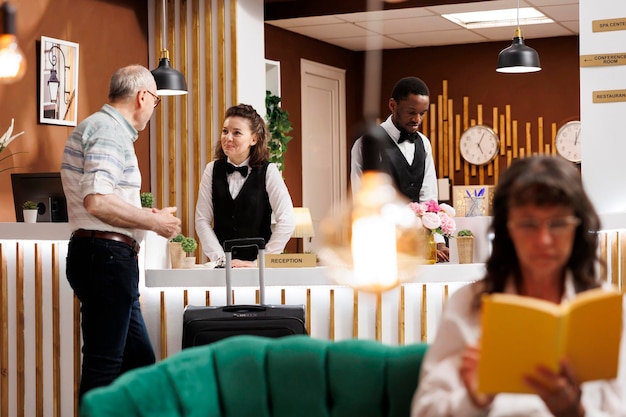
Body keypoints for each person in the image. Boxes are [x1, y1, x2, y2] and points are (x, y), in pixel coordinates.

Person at [411, 155, 626, 416]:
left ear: (578, 228)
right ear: (507, 230)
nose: (544, 239)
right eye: (528, 223)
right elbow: (424, 411)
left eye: (558, 223)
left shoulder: (603, 306)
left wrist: (576, 412)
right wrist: (473, 401)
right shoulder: (469, 303)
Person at [60, 64, 182, 400]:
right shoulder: (110, 132)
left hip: (101, 256)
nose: (153, 111)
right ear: (143, 97)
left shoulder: (96, 127)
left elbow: (100, 198)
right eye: (156, 102)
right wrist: (152, 222)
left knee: (139, 361)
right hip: (107, 259)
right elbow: (97, 200)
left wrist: (143, 214)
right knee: (105, 366)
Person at [350, 76, 449, 262]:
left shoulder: (424, 143)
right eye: (411, 112)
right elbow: (361, 199)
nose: (417, 119)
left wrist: (437, 241)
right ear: (393, 106)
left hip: (419, 245)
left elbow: (429, 197)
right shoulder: (366, 144)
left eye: (422, 113)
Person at [195, 103, 295, 267]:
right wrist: (221, 259)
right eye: (225, 131)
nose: (228, 138)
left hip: (258, 272)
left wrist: (260, 262)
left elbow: (287, 220)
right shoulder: (211, 170)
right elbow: (202, 220)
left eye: (237, 133)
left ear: (253, 139)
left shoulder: (269, 171)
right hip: (221, 268)